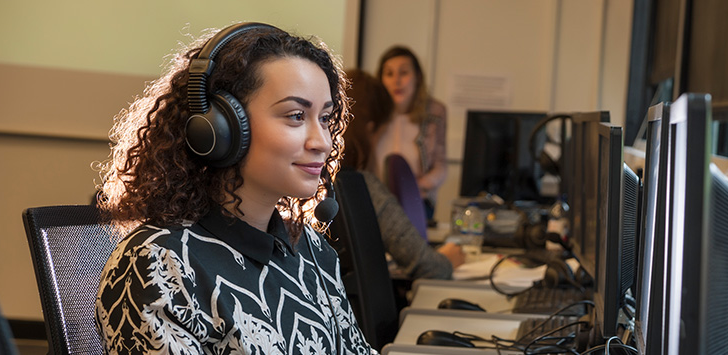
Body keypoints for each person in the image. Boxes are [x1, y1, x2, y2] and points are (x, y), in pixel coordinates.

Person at [94, 23, 376, 354]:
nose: (323, 143)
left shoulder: (310, 251)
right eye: (296, 116)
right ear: (220, 129)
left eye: (326, 119)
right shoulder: (157, 263)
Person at [342, 69, 464, 279]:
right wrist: (448, 258)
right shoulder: (362, 188)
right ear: (370, 128)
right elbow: (430, 268)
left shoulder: (306, 183)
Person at [374, 46, 447, 221]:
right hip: (377, 201)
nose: (396, 81)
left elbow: (440, 165)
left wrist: (418, 185)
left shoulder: (434, 112)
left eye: (404, 73)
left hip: (417, 201)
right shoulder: (373, 113)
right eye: (389, 74)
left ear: (417, 77)